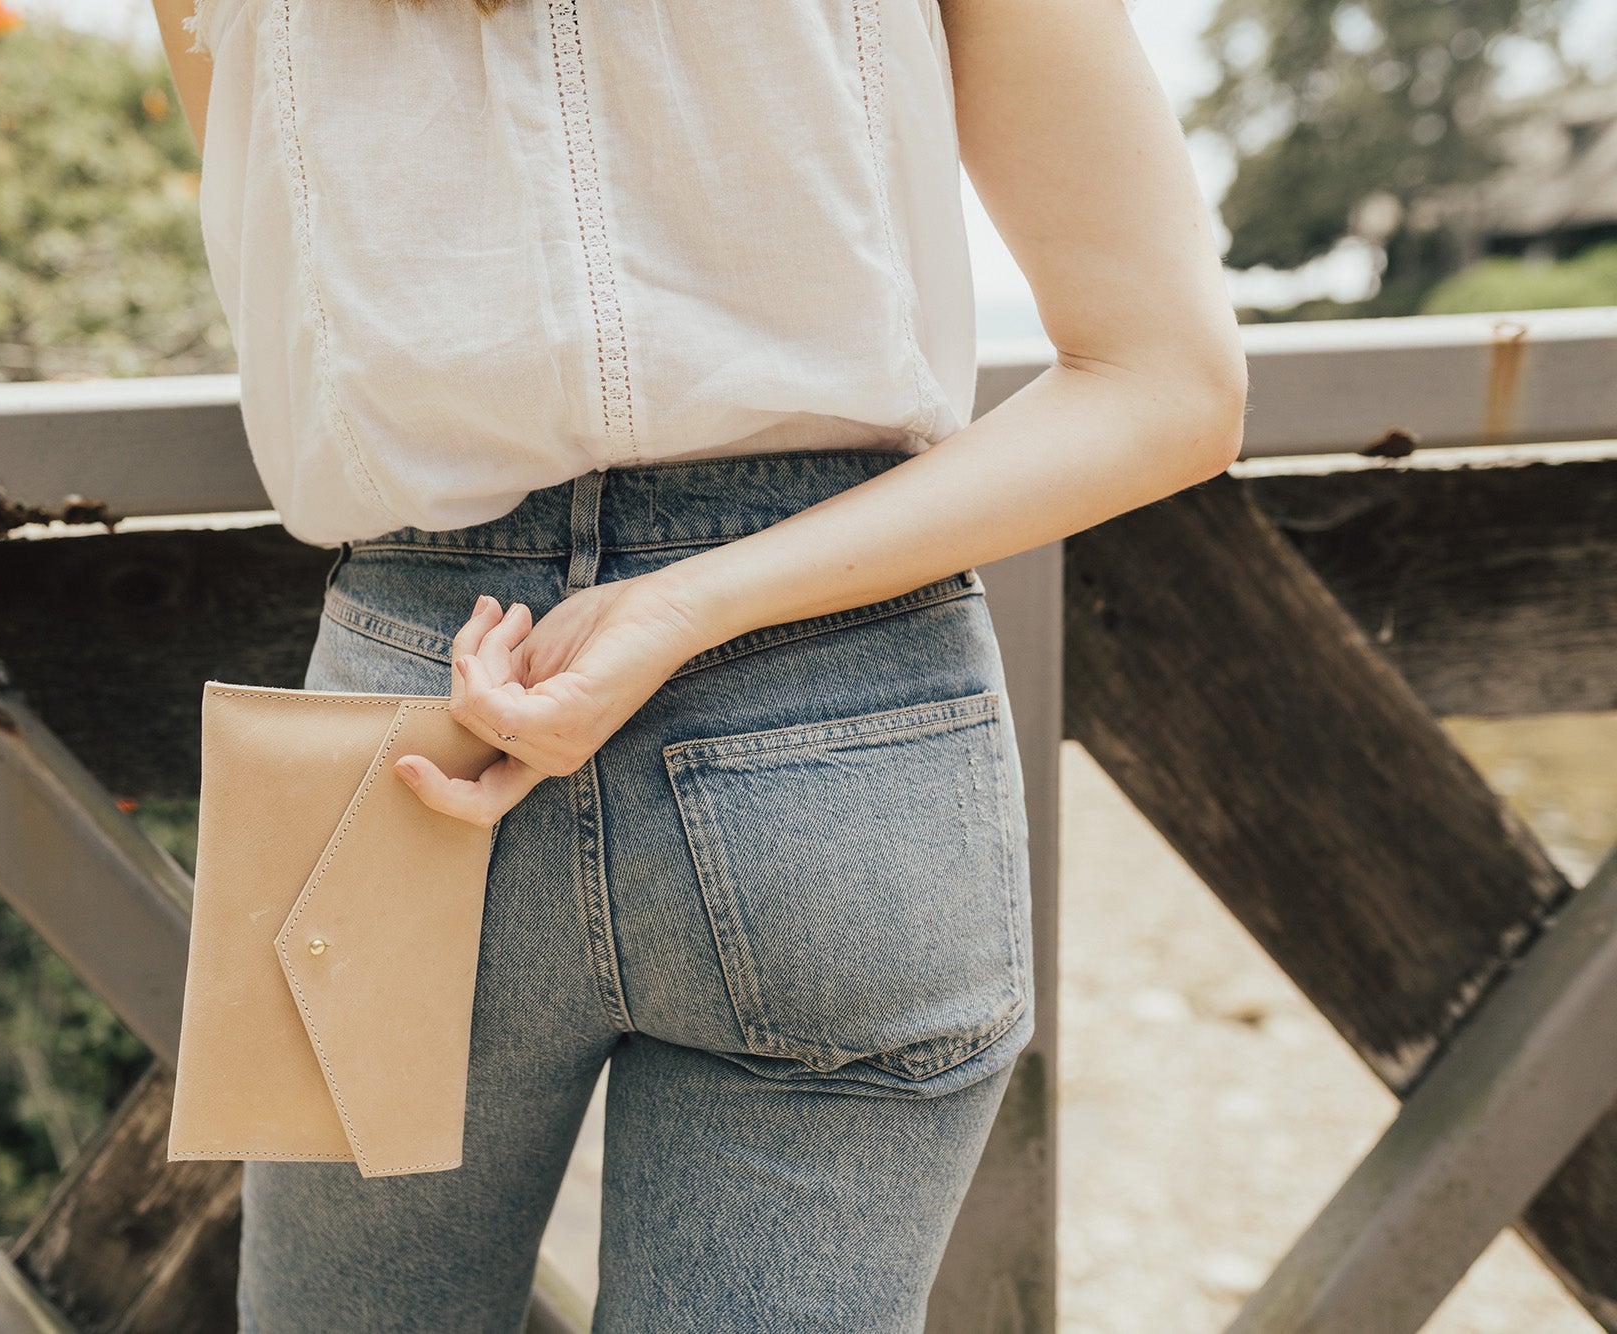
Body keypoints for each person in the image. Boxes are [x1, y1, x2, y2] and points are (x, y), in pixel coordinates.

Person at [152, 0, 1246, 1329]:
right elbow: (1168, 380)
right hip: (839, 727)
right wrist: (691, 599)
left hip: (410, 722)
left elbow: (285, 282)